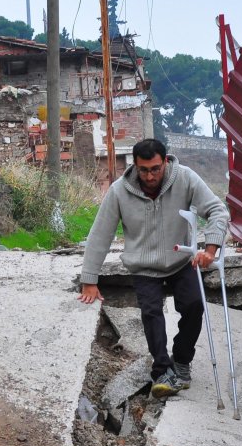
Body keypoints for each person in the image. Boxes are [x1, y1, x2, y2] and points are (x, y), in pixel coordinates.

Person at [78, 138, 230, 399]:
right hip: (143, 265)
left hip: (181, 259)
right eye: (144, 170)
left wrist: (210, 249)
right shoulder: (119, 191)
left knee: (194, 305)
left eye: (155, 169)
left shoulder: (185, 178)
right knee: (151, 315)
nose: (150, 175)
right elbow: (100, 234)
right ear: (135, 166)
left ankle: (181, 361)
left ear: (165, 162)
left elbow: (218, 211)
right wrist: (89, 279)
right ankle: (162, 370)